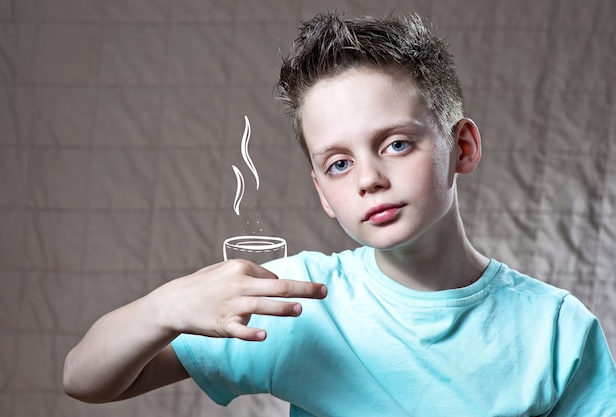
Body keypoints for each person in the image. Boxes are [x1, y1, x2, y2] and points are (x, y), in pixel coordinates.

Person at [63, 11, 616, 416]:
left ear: (463, 147)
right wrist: (166, 306)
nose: (370, 178)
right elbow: (85, 379)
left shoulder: (557, 330)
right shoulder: (292, 300)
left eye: (397, 144)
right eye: (338, 164)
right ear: (323, 195)